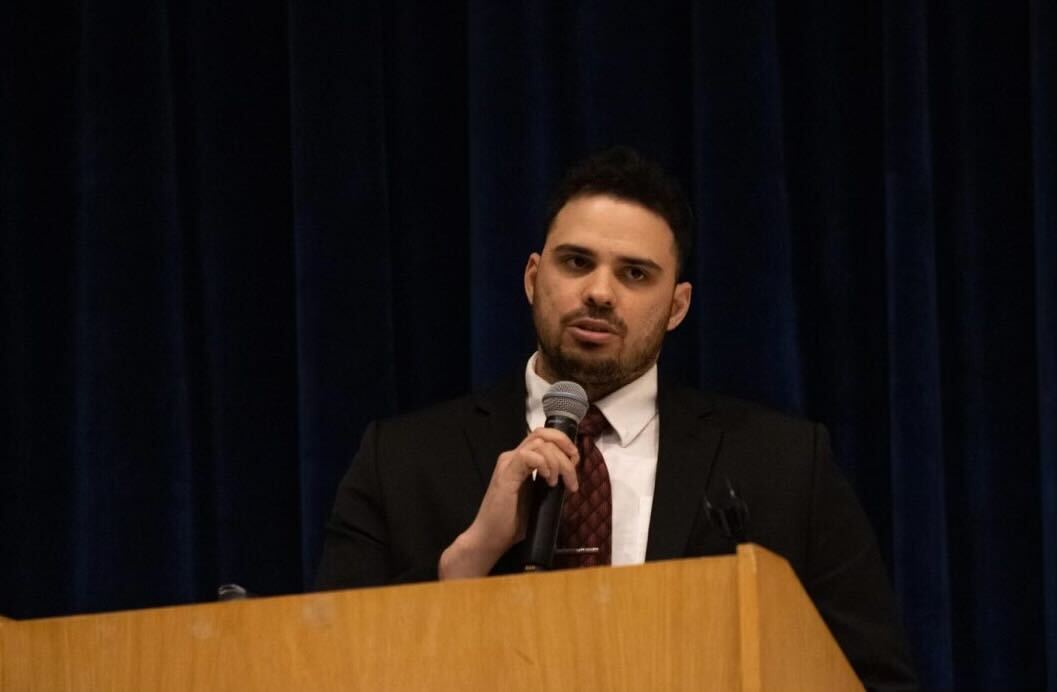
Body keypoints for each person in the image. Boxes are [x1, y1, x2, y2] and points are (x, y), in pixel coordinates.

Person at [316, 146, 918, 690]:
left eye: (634, 273)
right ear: (533, 278)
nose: (600, 292)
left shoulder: (782, 464)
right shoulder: (401, 460)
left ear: (677, 305)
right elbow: (324, 668)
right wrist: (467, 560)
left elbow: (873, 679)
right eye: (576, 263)